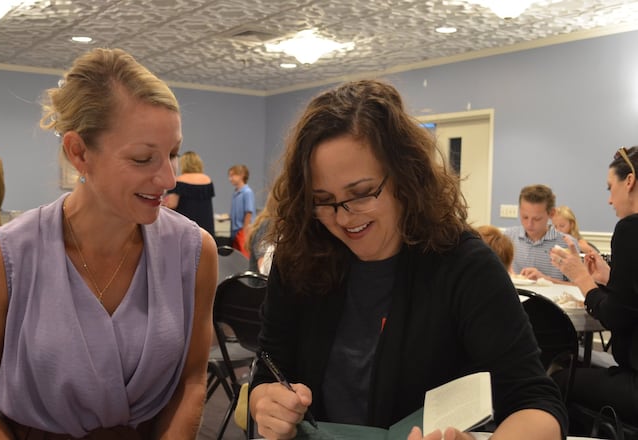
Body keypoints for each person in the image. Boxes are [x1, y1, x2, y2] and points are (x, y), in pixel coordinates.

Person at [248, 79, 566, 440]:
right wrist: (265, 401)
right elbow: (268, 370)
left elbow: (537, 403)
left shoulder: (464, 265)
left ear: (406, 175)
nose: (344, 216)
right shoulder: (299, 257)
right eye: (322, 200)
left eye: (363, 193)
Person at [0, 48, 218, 439]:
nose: (168, 179)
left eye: (172, 154)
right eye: (143, 159)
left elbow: (192, 381)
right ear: (79, 152)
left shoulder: (193, 253)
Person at [550, 146, 638, 429]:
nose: (610, 200)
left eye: (610, 188)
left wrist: (582, 279)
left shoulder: (630, 229)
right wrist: (610, 278)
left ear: (630, 181)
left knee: (555, 379)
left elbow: (617, 317)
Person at [503, 184, 578, 283]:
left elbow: (579, 287)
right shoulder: (508, 237)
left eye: (537, 219)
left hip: (552, 298)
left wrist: (545, 279)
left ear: (551, 213)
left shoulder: (567, 243)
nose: (529, 224)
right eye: (525, 217)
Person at [163, 151, 215, 236]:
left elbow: (172, 204)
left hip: (186, 227)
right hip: (206, 226)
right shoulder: (207, 180)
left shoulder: (179, 181)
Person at [228, 163, 255, 257]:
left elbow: (249, 212)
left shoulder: (247, 192)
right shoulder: (236, 193)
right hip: (235, 230)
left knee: (244, 255)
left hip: (242, 230)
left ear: (242, 175)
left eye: (233, 175)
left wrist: (245, 230)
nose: (230, 178)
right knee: (236, 255)